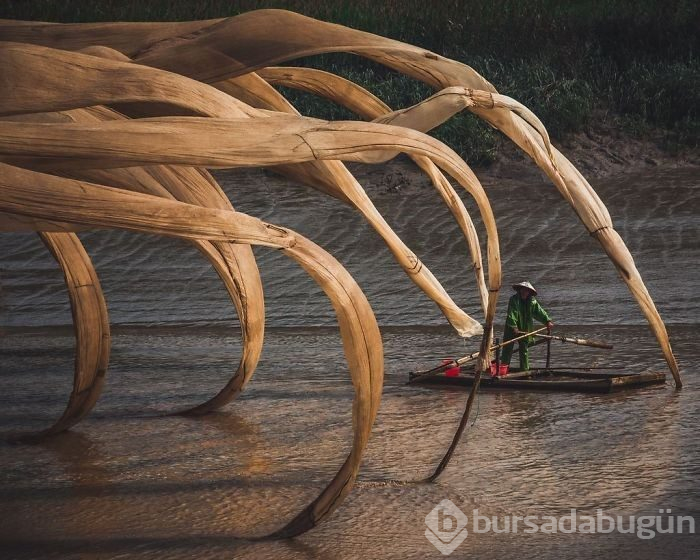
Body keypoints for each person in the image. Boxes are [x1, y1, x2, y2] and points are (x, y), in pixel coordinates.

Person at [500, 281, 554, 371]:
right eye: (523, 290)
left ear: (529, 292)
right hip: (511, 327)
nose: (524, 292)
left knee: (524, 348)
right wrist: (514, 326)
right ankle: (504, 369)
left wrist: (547, 321)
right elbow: (512, 313)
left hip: (525, 327)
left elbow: (539, 312)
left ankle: (524, 370)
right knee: (507, 348)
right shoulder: (514, 300)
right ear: (520, 290)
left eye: (527, 291)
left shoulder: (532, 301)